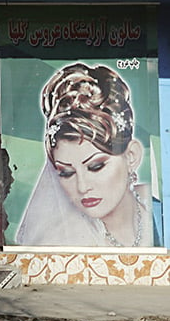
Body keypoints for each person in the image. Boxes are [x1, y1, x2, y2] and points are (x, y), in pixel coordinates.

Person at [15, 63, 160, 247]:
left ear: (131, 156)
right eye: (66, 172)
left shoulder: (158, 209)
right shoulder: (64, 241)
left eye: (96, 166)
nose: (82, 187)